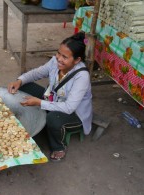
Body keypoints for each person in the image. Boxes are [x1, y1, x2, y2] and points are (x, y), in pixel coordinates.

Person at [8, 32, 92, 162]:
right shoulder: (55, 61)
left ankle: (58, 147)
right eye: (58, 53)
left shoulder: (82, 76)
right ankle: (36, 122)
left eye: (65, 57)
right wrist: (20, 81)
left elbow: (69, 107)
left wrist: (39, 103)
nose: (59, 58)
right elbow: (37, 73)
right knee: (25, 86)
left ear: (77, 60)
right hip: (52, 99)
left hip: (74, 113)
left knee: (53, 118)